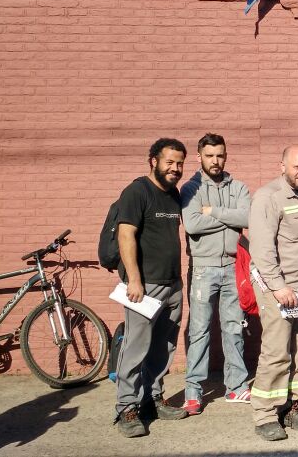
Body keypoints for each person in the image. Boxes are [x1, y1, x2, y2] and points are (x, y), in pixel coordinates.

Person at [249, 147, 298, 441]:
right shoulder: (268, 197)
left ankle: (292, 406)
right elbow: (261, 248)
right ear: (281, 165)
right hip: (278, 287)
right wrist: (278, 286)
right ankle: (265, 414)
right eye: (296, 167)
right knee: (276, 351)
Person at [113, 138, 189, 438]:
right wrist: (134, 279)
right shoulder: (136, 192)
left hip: (172, 284)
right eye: (169, 162)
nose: (175, 168)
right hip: (144, 287)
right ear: (153, 161)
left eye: (180, 163)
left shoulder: (173, 195)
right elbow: (126, 235)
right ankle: (125, 408)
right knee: (135, 348)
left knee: (163, 348)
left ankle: (152, 399)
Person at [180, 134, 252, 416]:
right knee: (199, 330)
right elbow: (193, 225)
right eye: (209, 155)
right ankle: (193, 392)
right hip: (203, 267)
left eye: (220, 155)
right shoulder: (191, 188)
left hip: (233, 265)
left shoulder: (240, 187)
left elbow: (247, 218)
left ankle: (235, 385)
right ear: (199, 157)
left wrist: (214, 211)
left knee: (233, 327)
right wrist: (228, 217)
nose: (215, 161)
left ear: (226, 155)